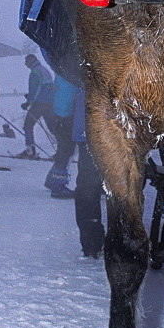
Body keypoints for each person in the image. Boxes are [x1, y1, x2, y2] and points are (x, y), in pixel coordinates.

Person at [71, 84, 105, 258]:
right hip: (121, 129)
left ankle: (91, 241)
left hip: (89, 128)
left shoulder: (79, 59)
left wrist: (62, 117)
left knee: (87, 185)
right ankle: (122, 239)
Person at [43, 75, 78, 199]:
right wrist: (65, 115)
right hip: (65, 115)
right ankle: (57, 184)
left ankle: (53, 179)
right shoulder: (69, 70)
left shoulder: (62, 67)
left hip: (60, 113)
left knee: (65, 148)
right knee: (66, 149)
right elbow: (66, 93)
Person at [17, 54, 55, 159]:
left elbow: (36, 89)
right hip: (50, 103)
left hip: (39, 104)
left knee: (28, 125)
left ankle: (30, 151)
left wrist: (28, 102)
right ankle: (63, 152)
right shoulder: (45, 70)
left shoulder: (35, 72)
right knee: (52, 128)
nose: (27, 66)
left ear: (30, 62)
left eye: (27, 63)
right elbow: (46, 88)